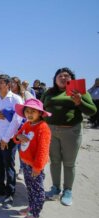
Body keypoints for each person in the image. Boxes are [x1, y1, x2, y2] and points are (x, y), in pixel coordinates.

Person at [41, 67, 97, 206]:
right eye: (60, 75)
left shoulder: (78, 91)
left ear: (72, 79)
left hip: (71, 132)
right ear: (55, 79)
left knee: (69, 163)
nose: (63, 77)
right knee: (54, 161)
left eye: (67, 75)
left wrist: (79, 102)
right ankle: (55, 188)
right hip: (50, 131)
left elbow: (92, 111)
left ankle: (68, 190)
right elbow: (40, 109)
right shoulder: (49, 92)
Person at [0, 74, 23, 209]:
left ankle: (10, 193)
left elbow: (17, 121)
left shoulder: (16, 99)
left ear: (8, 84)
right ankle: (0, 188)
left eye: (1, 82)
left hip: (8, 139)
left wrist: (6, 139)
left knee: (9, 166)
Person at [13, 98, 52, 218]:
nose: (29, 114)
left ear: (40, 113)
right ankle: (31, 206)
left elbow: (43, 150)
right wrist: (19, 136)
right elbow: (16, 137)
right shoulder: (26, 124)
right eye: (27, 111)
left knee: (38, 190)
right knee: (29, 187)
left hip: (35, 165)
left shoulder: (43, 127)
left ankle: (35, 213)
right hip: (25, 162)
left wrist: (38, 167)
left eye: (33, 111)